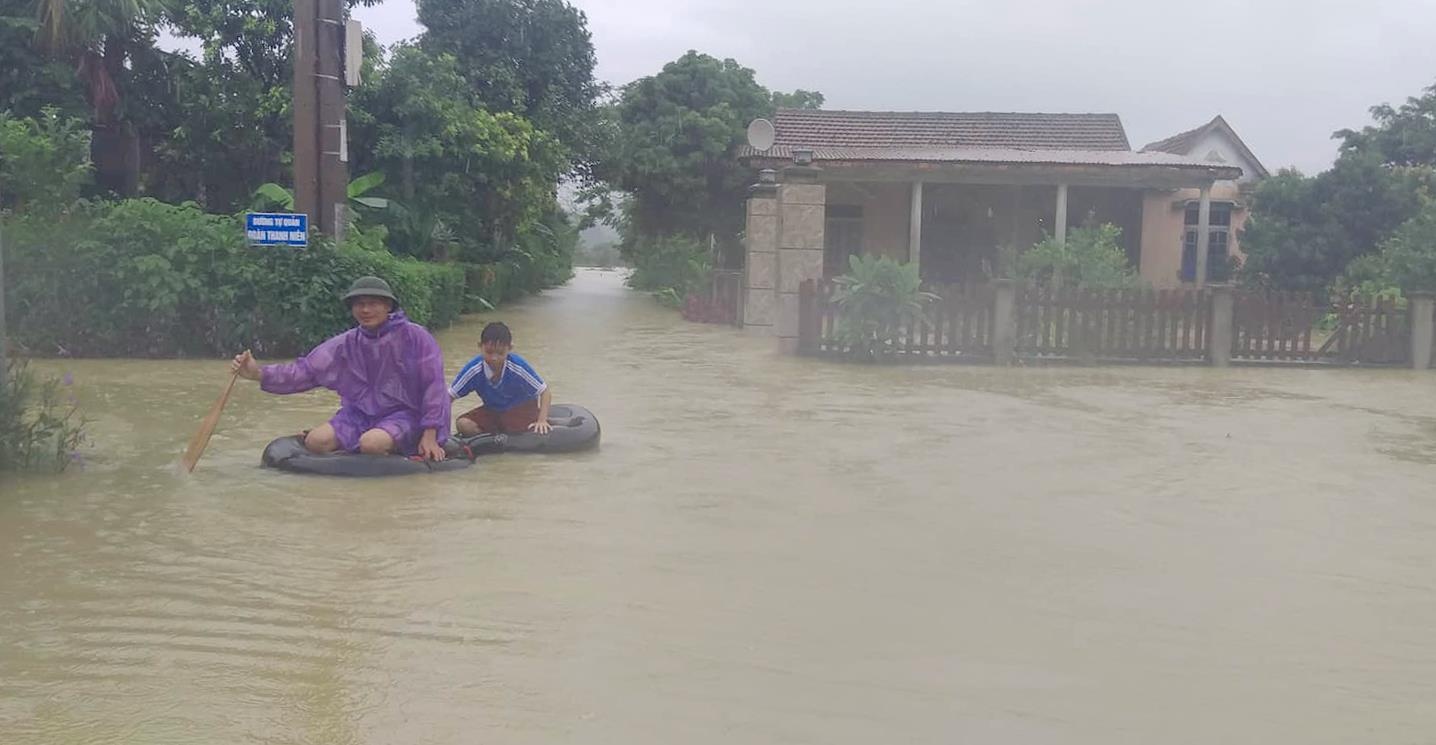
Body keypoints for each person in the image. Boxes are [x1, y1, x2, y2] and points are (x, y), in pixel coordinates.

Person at [231, 276, 450, 461]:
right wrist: (257, 374)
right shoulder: (346, 343)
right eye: (359, 304)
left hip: (406, 414)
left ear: (388, 306)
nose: (365, 310)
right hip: (360, 414)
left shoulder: (415, 337)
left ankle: (389, 444)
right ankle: (357, 441)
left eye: (373, 303)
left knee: (371, 444)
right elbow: (305, 371)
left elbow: (434, 386)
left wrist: (430, 432)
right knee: (316, 441)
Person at [449, 322, 552, 436]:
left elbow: (545, 392)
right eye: (489, 352)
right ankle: (489, 438)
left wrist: (542, 420)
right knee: (463, 424)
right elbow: (449, 397)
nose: (494, 358)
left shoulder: (517, 367)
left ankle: (499, 432)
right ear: (480, 346)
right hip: (493, 410)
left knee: (512, 425)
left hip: (520, 409)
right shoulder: (474, 370)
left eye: (500, 353)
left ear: (510, 349)